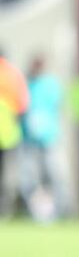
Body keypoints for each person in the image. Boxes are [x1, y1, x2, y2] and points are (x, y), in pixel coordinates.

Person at [20, 55, 70, 221]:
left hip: (49, 139)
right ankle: (36, 211)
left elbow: (57, 107)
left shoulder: (51, 85)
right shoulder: (26, 85)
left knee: (56, 175)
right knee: (30, 178)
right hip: (29, 140)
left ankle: (61, 210)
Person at [0, 49, 29, 217]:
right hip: (9, 135)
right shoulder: (14, 74)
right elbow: (23, 105)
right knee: (8, 176)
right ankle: (5, 210)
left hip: (7, 134)